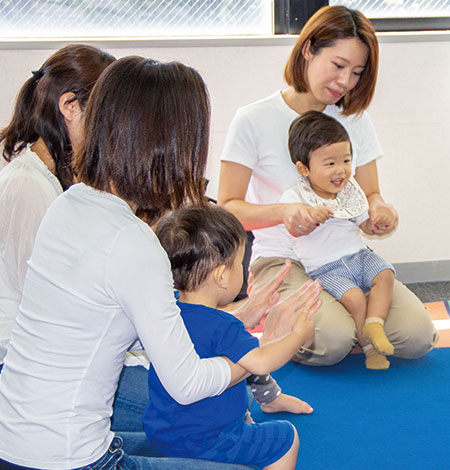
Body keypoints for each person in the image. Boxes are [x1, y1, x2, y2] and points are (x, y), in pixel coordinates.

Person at [0, 56, 321, 469]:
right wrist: (262, 349)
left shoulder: (69, 204)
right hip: (68, 459)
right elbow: (187, 384)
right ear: (172, 146)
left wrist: (238, 317)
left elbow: (133, 331)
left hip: (12, 439)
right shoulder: (133, 241)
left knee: (174, 431)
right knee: (251, 456)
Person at [218, 4, 436, 367]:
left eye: (356, 72)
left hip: (345, 256)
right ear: (308, 49)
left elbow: (370, 196)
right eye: (338, 65)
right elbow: (228, 208)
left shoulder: (354, 119)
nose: (346, 82)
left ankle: (349, 323)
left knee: (415, 337)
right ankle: (301, 321)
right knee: (332, 342)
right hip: (283, 258)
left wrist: (380, 211)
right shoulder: (253, 119)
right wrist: (283, 212)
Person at [146, 205, 315, 469]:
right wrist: (298, 335)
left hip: (163, 433)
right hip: (209, 440)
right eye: (239, 263)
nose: (242, 268)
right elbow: (260, 362)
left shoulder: (167, 312)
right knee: (286, 437)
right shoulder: (223, 324)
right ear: (222, 276)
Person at [0, 44, 115, 372]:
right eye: (105, 116)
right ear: (69, 105)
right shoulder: (27, 186)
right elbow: (47, 301)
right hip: (23, 363)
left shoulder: (53, 180)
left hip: (53, 352)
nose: (110, 131)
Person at [281, 111, 396, 370]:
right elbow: (295, 229)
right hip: (326, 267)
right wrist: (311, 217)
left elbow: (362, 221)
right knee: (355, 298)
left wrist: (375, 222)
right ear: (304, 168)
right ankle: (369, 348)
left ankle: (374, 323)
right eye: (330, 163)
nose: (341, 170)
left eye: (346, 160)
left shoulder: (348, 193)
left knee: (385, 273)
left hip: (359, 256)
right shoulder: (294, 196)